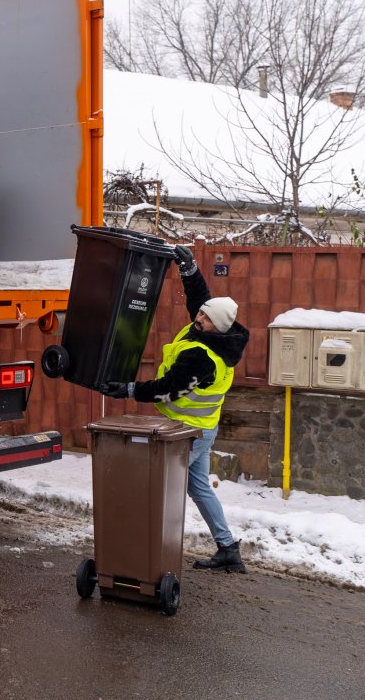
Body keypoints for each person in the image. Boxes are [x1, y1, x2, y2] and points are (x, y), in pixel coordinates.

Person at [98, 245, 250, 574]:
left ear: (218, 326)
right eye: (200, 314)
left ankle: (136, 551)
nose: (198, 318)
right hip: (198, 428)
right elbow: (200, 299)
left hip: (188, 435)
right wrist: (190, 269)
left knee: (155, 485)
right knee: (197, 488)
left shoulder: (202, 357)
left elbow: (167, 389)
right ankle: (228, 549)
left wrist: (128, 389)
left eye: (206, 318)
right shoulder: (217, 334)